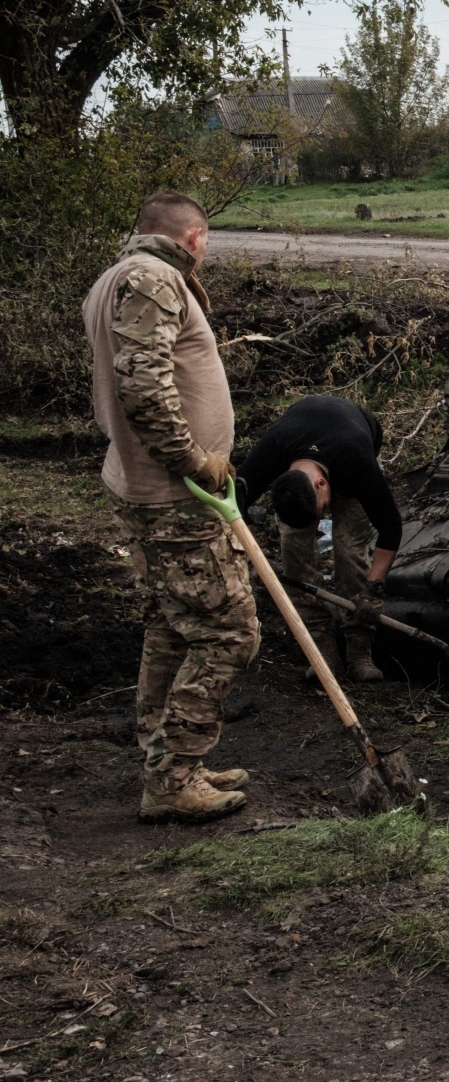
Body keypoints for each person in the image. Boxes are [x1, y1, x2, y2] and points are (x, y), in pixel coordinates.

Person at [83, 190, 259, 822]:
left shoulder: (113, 279)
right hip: (173, 497)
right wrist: (194, 461)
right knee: (229, 633)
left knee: (171, 623)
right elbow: (144, 384)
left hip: (142, 487)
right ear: (192, 239)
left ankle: (167, 756)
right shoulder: (154, 280)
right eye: (205, 243)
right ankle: (171, 777)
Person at [238, 395, 403, 683]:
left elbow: (391, 528)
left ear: (322, 485)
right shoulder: (272, 451)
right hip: (302, 442)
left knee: (349, 551)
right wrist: (257, 559)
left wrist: (373, 592)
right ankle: (321, 647)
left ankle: (358, 648)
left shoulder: (357, 462)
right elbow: (234, 504)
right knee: (294, 548)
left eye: (320, 510)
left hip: (351, 451)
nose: (320, 520)